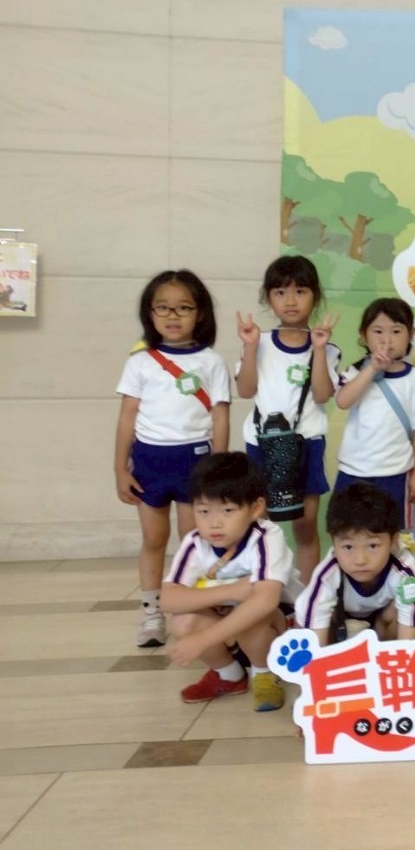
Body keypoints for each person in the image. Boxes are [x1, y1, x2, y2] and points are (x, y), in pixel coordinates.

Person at [115, 270, 231, 649]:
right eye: (162, 308)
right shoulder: (140, 362)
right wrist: (119, 468)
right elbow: (127, 417)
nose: (172, 316)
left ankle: (196, 607)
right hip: (149, 461)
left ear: (201, 313)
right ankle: (152, 613)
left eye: (183, 308)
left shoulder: (212, 362)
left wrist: (218, 468)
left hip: (195, 461)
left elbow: (220, 417)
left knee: (194, 540)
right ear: (149, 313)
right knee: (153, 538)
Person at [161, 452, 295, 712]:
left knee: (253, 611)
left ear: (255, 508)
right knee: (183, 621)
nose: (214, 523)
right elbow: (168, 599)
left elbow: (266, 601)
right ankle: (229, 675)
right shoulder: (195, 542)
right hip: (226, 626)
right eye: (203, 511)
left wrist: (203, 640)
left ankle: (264, 673)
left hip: (275, 627)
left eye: (228, 510)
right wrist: (232, 591)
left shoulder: (266, 537)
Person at [235, 255, 339, 584]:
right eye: (280, 292)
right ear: (268, 298)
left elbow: (322, 395)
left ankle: (308, 596)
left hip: (306, 443)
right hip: (262, 444)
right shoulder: (259, 341)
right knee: (258, 522)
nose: (290, 300)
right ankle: (263, 591)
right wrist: (249, 347)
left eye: (300, 291)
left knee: (305, 525)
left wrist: (319, 350)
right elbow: (245, 389)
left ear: (315, 297)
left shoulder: (328, 348)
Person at [333, 298, 415, 528]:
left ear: (411, 334)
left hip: (396, 473)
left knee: (391, 534)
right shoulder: (355, 372)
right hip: (353, 470)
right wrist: (372, 369)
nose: (386, 339)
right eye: (378, 331)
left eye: (396, 331)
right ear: (363, 335)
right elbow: (343, 401)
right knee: (347, 531)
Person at [294, 481, 415, 646]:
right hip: (339, 623)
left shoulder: (407, 574)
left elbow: (409, 644)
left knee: (400, 610)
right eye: (348, 547)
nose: (360, 560)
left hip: (381, 626)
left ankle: (383, 655)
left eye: (373, 546)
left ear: (394, 541)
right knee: (309, 618)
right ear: (333, 542)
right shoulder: (327, 574)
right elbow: (314, 643)